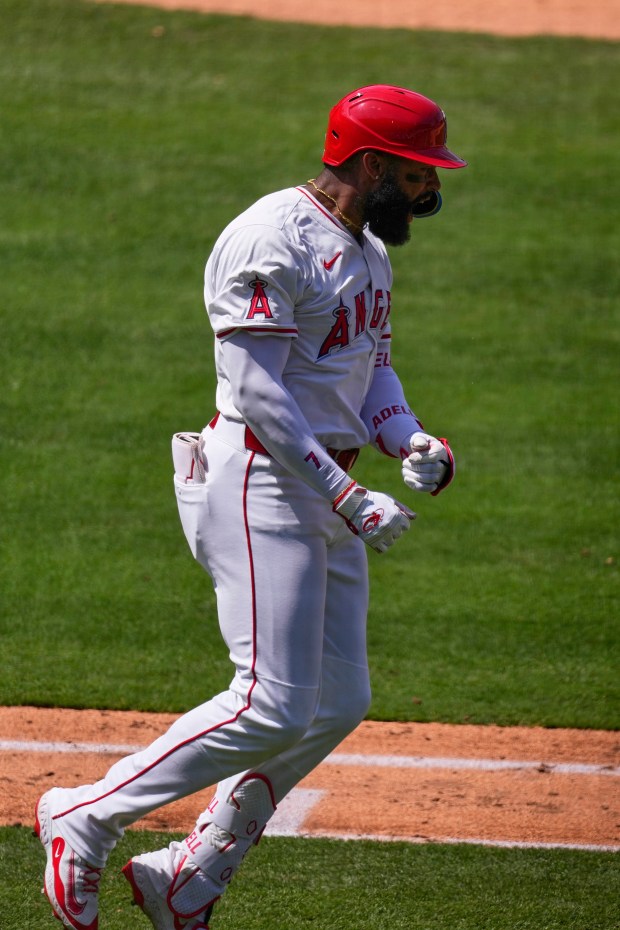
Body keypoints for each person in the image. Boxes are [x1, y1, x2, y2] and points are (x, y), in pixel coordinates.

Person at [35, 84, 467, 930]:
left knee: (337, 699)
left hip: (323, 487)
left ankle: (190, 872)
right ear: (373, 163)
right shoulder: (271, 239)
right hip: (261, 480)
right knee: (269, 699)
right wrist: (347, 493)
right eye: (420, 173)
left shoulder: (369, 248)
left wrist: (410, 438)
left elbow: (369, 369)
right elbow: (260, 394)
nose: (431, 190)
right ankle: (81, 819)